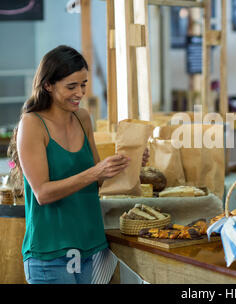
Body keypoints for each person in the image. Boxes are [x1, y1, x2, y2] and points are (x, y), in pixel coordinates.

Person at [7, 45, 148, 284]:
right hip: (51, 254)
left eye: (83, 84)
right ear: (48, 85)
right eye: (71, 86)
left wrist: (127, 163)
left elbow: (97, 181)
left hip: (93, 249)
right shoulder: (32, 124)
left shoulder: (83, 118)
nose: (80, 93)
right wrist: (95, 172)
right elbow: (42, 193)